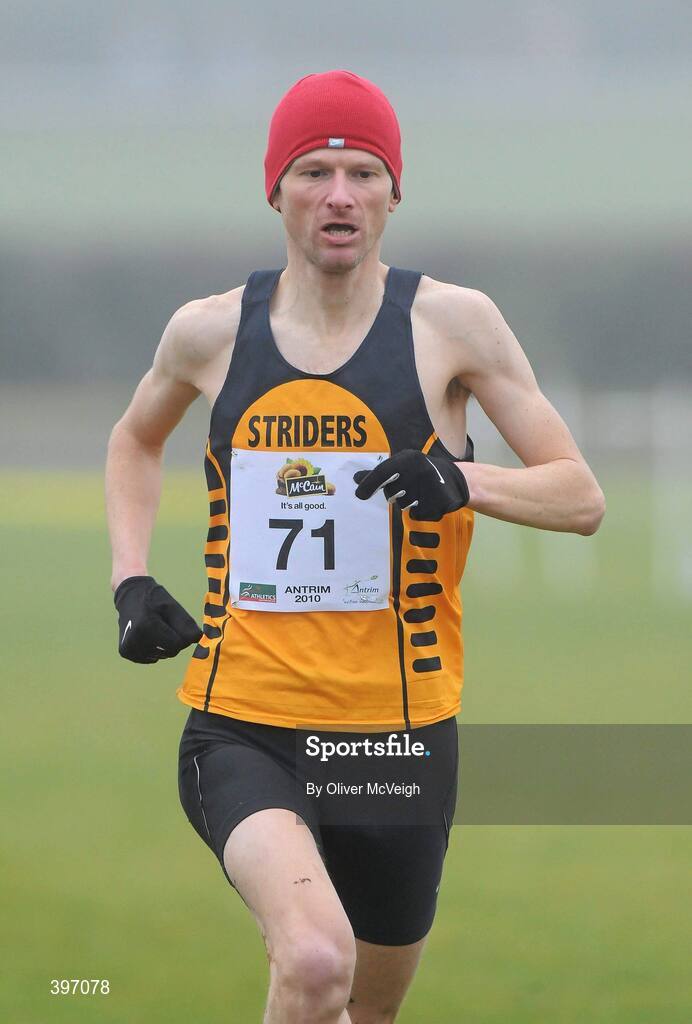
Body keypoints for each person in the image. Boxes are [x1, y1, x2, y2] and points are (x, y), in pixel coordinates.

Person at [105, 70, 605, 1024]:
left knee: (363, 1009)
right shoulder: (208, 334)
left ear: (394, 193)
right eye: (315, 170)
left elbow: (580, 497)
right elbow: (134, 439)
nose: (340, 194)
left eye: (364, 172)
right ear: (276, 190)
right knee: (315, 960)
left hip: (399, 738)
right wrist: (130, 578)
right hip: (244, 722)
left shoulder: (454, 326)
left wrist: (464, 479)